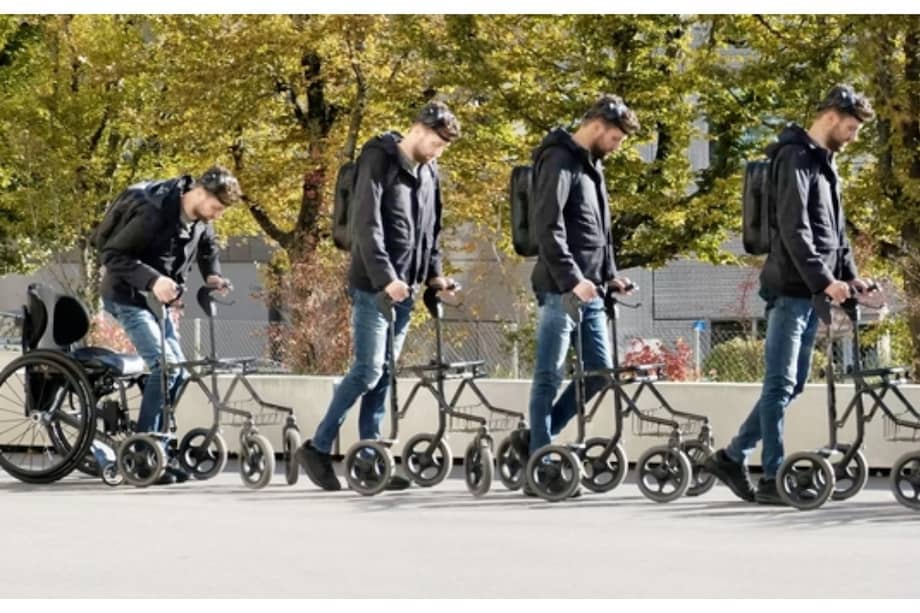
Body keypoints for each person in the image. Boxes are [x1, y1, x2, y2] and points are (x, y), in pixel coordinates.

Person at [704, 84, 877, 505]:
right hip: (790, 289)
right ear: (833, 116)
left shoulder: (824, 163)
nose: (853, 136)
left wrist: (851, 278)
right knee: (780, 383)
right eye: (851, 127)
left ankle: (731, 456)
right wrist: (823, 281)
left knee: (791, 384)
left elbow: (835, 234)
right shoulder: (794, 158)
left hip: (809, 290)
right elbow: (794, 228)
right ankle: (772, 476)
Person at [296, 101, 461, 491]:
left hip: (408, 288)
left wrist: (435, 276)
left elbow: (430, 231)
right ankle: (317, 447)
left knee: (384, 374)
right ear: (419, 130)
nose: (438, 153)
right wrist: (387, 277)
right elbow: (366, 226)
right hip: (373, 287)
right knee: (368, 369)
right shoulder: (378, 159)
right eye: (437, 144)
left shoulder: (429, 171)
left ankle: (370, 460)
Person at [512, 94, 639, 495]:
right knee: (549, 375)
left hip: (592, 290)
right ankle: (542, 460)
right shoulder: (558, 159)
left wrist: (610, 275)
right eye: (616, 138)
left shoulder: (592, 167)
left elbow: (600, 234)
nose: (617, 146)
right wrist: (571, 279)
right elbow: (548, 226)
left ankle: (537, 437)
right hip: (560, 290)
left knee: (600, 373)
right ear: (599, 127)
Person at [97, 165, 241, 484]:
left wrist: (212, 275)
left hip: (157, 302)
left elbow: (207, 248)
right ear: (200, 193)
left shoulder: (200, 220)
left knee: (179, 371)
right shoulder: (153, 213)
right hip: (127, 296)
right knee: (166, 367)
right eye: (215, 208)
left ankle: (157, 448)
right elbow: (113, 254)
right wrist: (153, 280)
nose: (216, 215)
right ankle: (142, 456)